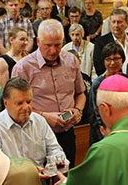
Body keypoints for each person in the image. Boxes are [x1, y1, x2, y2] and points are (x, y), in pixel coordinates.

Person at [12, 19, 86, 163]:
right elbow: (15, 106)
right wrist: (44, 116)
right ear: (38, 41)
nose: (53, 51)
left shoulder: (71, 61)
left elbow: (80, 93)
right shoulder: (23, 68)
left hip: (67, 134)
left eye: (58, 45)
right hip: (36, 136)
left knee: (66, 178)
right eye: (48, 45)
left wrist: (78, 110)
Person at [0, 77, 67, 169]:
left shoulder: (39, 121)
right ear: (6, 103)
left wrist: (58, 160)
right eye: (20, 103)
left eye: (29, 102)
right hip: (10, 179)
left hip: (40, 177)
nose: (26, 107)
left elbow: (54, 149)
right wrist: (28, 173)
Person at [88, 42, 125, 146]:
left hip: (124, 131)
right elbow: (97, 114)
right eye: (108, 59)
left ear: (122, 59)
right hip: (103, 133)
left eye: (116, 58)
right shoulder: (98, 83)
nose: (112, 63)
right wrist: (106, 135)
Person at [93, 9, 128, 76]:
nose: (116, 25)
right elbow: (99, 68)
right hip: (112, 82)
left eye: (119, 22)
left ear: (127, 22)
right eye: (113, 22)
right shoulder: (101, 42)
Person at [0, 27, 28, 91]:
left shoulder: (28, 57)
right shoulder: (3, 61)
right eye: (22, 39)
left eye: (26, 40)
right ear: (11, 40)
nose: (25, 42)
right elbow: (6, 89)